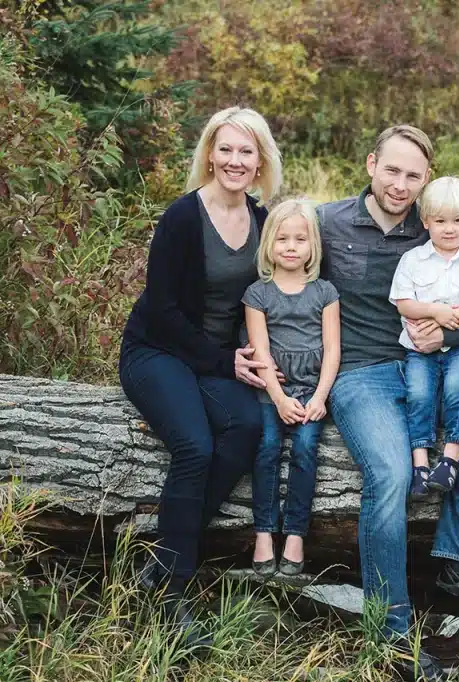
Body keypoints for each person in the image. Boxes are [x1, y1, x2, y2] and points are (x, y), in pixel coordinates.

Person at [316, 125, 459, 680]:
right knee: (391, 472)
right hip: (359, 373)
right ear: (370, 164)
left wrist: (455, 341)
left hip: (427, 365)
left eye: (413, 175)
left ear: (426, 179)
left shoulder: (436, 223)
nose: (400, 185)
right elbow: (284, 281)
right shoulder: (327, 223)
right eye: (392, 170)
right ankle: (392, 634)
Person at [119, 107, 282, 644]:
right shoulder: (182, 217)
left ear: (261, 161)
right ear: (209, 154)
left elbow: (264, 301)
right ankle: (171, 594)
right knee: (195, 446)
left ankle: (161, 559)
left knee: (245, 430)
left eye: (246, 151)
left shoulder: (261, 221)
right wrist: (222, 362)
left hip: (217, 359)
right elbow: (162, 310)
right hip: (158, 351)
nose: (235, 161)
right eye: (226, 149)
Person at [243, 199, 340, 578]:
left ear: (312, 246)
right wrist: (279, 398)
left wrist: (319, 397)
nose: (290, 246)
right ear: (269, 243)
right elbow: (260, 351)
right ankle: (264, 532)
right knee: (267, 447)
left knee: (304, 448)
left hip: (312, 389)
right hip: (273, 388)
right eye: (282, 238)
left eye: (300, 239)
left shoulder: (325, 292)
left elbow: (333, 349)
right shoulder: (258, 294)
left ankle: (296, 533)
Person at [389, 177, 459, 498]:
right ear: (426, 222)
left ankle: (450, 458)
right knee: (419, 393)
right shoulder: (413, 260)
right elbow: (403, 302)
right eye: (440, 221)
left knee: (456, 389)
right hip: (419, 350)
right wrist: (435, 313)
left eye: (458, 221)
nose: (449, 229)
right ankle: (420, 464)